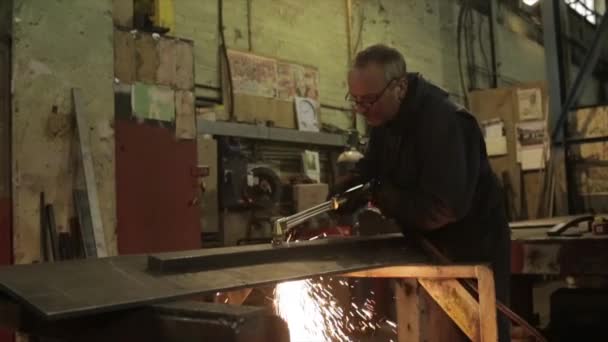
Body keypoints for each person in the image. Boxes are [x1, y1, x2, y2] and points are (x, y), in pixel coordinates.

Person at [335, 44, 511, 341]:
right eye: (356, 101)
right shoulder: (384, 118)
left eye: (369, 100)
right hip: (427, 246)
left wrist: (379, 194)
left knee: (475, 333)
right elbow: (374, 166)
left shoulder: (445, 121)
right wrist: (351, 185)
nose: (362, 110)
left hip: (470, 249)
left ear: (400, 87)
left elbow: (442, 208)